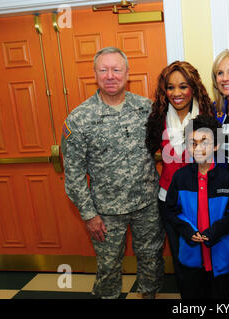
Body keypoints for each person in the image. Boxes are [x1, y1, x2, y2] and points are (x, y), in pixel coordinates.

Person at [61, 47, 164, 299]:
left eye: (116, 69)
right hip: (105, 212)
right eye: (103, 70)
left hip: (147, 204)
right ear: (95, 74)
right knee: (108, 269)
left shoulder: (147, 108)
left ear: (127, 73)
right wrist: (88, 215)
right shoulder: (79, 118)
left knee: (152, 260)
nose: (110, 75)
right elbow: (73, 174)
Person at [146, 61, 214, 296]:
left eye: (183, 86)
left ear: (193, 87)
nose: (177, 93)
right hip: (170, 201)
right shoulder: (158, 117)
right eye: (170, 87)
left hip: (204, 198)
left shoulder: (209, 115)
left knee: (207, 255)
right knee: (181, 258)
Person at [164, 115, 229, 299]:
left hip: (221, 255)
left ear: (216, 145)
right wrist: (188, 230)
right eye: (193, 142)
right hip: (191, 257)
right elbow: (170, 210)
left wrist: (215, 231)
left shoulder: (226, 178)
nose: (198, 148)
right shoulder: (180, 177)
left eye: (205, 142)